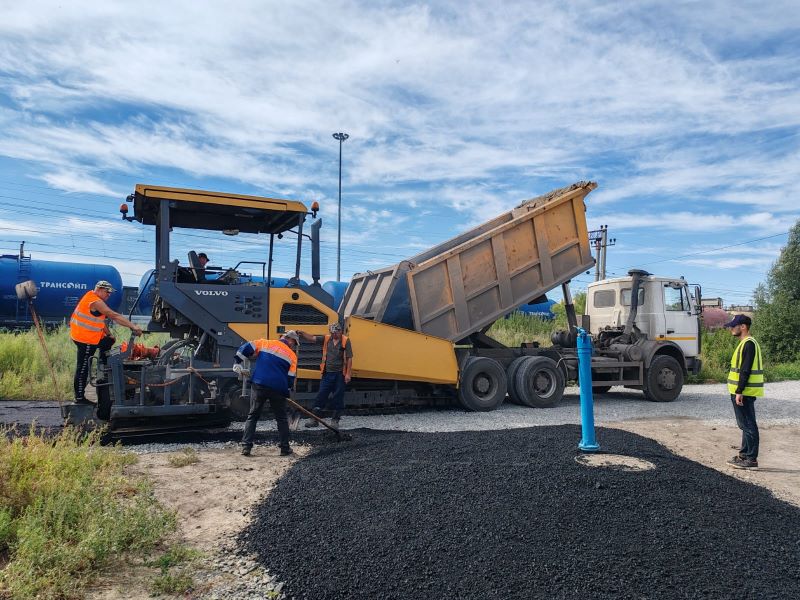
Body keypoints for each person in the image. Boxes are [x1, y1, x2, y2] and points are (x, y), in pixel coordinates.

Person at [70, 280, 142, 404]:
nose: (108, 295)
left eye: (110, 293)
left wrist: (108, 334)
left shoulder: (92, 297)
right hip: (85, 339)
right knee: (82, 368)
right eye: (107, 292)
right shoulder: (95, 301)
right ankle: (80, 398)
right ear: (99, 289)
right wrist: (133, 326)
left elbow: (101, 320)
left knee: (108, 341)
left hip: (89, 337)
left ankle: (104, 365)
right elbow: (113, 315)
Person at [236, 330, 300, 456]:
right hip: (278, 388)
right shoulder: (292, 356)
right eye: (294, 343)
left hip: (259, 384)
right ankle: (285, 448)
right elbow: (290, 378)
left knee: (253, 415)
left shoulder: (265, 343)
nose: (294, 346)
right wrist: (285, 389)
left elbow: (246, 347)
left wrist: (237, 362)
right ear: (290, 340)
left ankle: (246, 447)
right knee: (281, 418)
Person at [724, 314, 764, 470]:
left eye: (733, 326)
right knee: (745, 424)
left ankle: (751, 459)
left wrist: (739, 391)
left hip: (744, 392)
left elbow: (745, 370)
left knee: (748, 424)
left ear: (743, 327)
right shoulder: (745, 343)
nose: (730, 329)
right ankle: (744, 455)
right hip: (741, 391)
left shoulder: (748, 344)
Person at [298, 323, 353, 429]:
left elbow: (349, 358)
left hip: (339, 374)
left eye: (336, 332)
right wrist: (302, 333)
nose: (334, 334)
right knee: (321, 395)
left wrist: (348, 374)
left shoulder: (346, 340)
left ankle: (335, 420)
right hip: (327, 373)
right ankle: (314, 419)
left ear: (340, 331)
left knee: (338, 397)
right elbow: (312, 338)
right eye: (333, 333)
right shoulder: (327, 339)